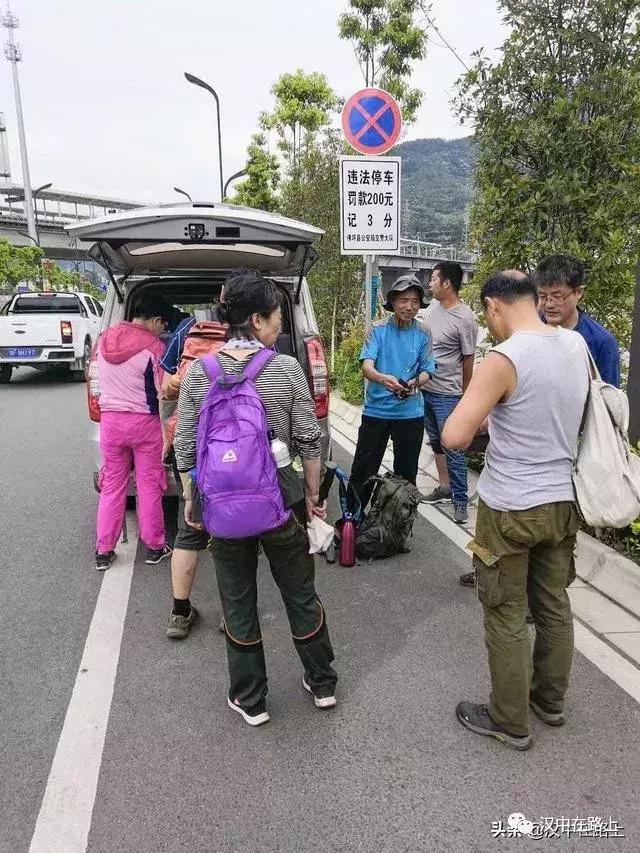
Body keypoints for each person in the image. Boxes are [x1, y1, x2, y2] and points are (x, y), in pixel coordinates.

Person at [174, 271, 337, 726]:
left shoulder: (198, 374)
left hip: (221, 507)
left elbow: (186, 448)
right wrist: (310, 498)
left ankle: (251, 699)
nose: (281, 327)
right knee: (300, 592)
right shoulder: (285, 370)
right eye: (277, 318)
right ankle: (321, 682)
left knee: (238, 600)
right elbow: (310, 440)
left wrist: (192, 500)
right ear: (258, 319)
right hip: (278, 504)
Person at [442, 271, 589, 751]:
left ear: (493, 306)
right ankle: (550, 701)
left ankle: (510, 720)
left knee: (505, 610)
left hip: (511, 508)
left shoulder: (505, 358)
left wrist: (486, 411)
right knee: (554, 604)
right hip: (563, 501)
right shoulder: (575, 346)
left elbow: (455, 438)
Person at [160, 296, 228, 641]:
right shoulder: (251, 339)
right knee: (231, 534)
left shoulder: (188, 328)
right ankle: (233, 614)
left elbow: (166, 386)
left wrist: (167, 444)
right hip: (232, 452)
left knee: (188, 530)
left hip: (191, 448)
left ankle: (179, 612)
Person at [95, 296, 173, 570]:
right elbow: (164, 390)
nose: (162, 331)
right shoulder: (154, 347)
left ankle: (103, 551)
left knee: (112, 486)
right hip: (143, 425)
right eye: (161, 325)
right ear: (153, 321)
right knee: (148, 485)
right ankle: (154, 547)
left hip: (110, 424)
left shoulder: (103, 339)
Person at [348, 274, 436, 516]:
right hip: (377, 411)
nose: (409, 307)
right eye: (403, 300)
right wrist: (382, 378)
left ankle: (399, 524)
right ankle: (351, 522)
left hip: (410, 413)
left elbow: (429, 368)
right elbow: (367, 366)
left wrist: (415, 383)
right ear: (393, 302)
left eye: (415, 301)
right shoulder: (378, 330)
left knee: (406, 473)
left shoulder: (424, 332)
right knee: (363, 470)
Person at [421, 262, 478, 524]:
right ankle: (444, 488)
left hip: (448, 393)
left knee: (453, 446)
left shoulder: (464, 318)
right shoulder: (432, 307)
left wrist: (467, 396)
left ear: (447, 284)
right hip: (426, 388)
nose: (430, 284)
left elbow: (468, 359)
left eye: (434, 279)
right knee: (435, 442)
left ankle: (460, 500)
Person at [535, 254, 621, 387]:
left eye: (557, 296)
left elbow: (608, 401)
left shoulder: (601, 342)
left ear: (578, 292)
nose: (548, 304)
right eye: (542, 296)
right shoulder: (529, 328)